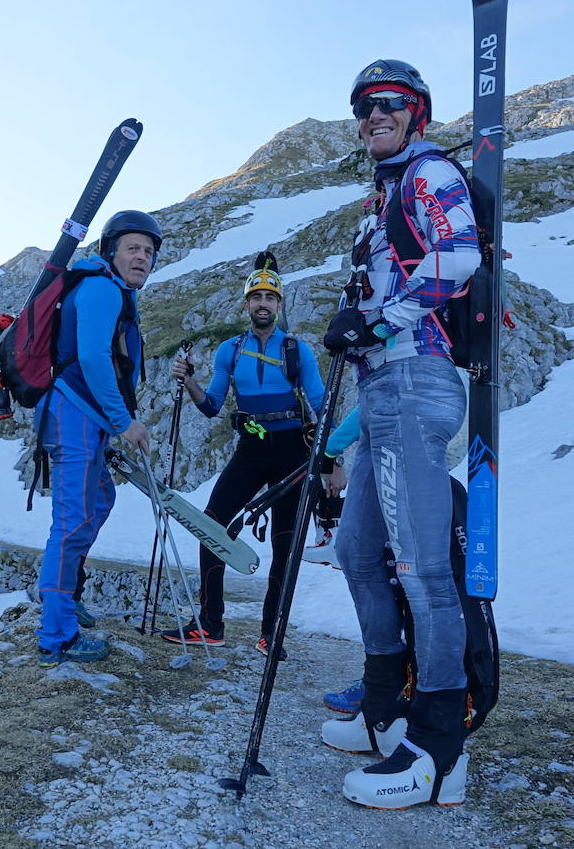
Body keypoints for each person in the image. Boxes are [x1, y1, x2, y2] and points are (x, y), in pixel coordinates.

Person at [319, 59, 481, 809]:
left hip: (418, 380)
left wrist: (378, 320)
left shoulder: (428, 174)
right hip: (384, 384)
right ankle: (384, 709)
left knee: (421, 569)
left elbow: (458, 257)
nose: (372, 115)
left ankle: (440, 748)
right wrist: (358, 326)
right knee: (356, 551)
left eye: (388, 104)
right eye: (363, 107)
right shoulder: (385, 191)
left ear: (416, 113)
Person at [160, 257, 326, 659]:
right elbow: (212, 405)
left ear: (280, 305)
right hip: (250, 448)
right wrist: (190, 381)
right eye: (256, 297)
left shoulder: (297, 351)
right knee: (211, 525)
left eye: (270, 297)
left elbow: (321, 403)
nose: (263, 304)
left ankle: (272, 634)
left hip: (293, 451)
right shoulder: (229, 351)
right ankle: (210, 624)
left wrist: (331, 456)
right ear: (246, 305)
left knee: (285, 546)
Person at [35, 210, 160, 668]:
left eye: (149, 252)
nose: (142, 257)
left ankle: (65, 599)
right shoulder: (103, 288)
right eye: (133, 248)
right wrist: (124, 422)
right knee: (70, 522)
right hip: (73, 415)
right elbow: (91, 357)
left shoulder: (111, 289)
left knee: (98, 501)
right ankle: (56, 636)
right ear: (111, 251)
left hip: (82, 418)